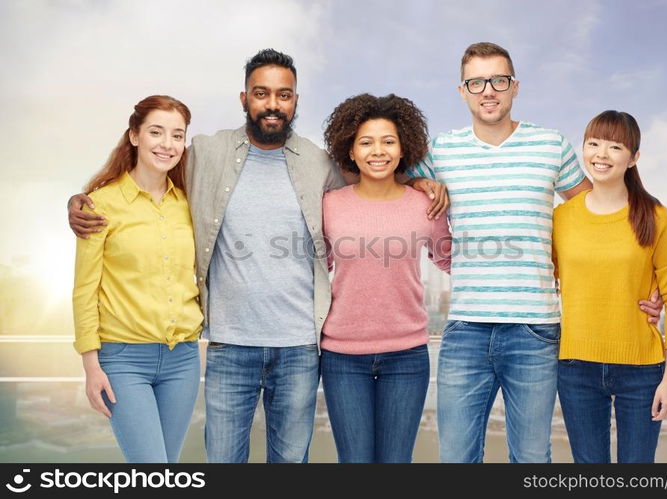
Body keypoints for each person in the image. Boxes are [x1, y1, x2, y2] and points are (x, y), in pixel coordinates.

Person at [68, 49, 449, 463]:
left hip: (300, 348)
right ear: (244, 98)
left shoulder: (319, 164)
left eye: (283, 95)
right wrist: (83, 197)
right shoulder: (205, 154)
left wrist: (421, 183)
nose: (272, 104)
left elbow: (374, 176)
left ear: (295, 102)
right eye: (261, 93)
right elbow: (150, 167)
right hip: (229, 346)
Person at [406, 42, 663, 463]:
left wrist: (645, 282)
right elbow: (395, 184)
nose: (488, 90)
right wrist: (422, 183)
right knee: (454, 458)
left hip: (536, 330)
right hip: (465, 328)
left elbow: (599, 213)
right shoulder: (441, 151)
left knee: (529, 459)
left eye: (499, 80)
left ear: (514, 86)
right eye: (477, 82)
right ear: (462, 91)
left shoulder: (551, 144)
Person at [320, 94, 451, 462]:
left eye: (388, 141)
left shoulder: (425, 204)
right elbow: (315, 267)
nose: (378, 151)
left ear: (403, 147)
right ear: (351, 150)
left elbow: (451, 260)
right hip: (342, 355)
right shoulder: (329, 204)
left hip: (406, 356)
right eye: (366, 141)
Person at [72, 95, 202, 463]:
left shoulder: (189, 204)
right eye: (156, 132)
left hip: (184, 360)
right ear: (134, 136)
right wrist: (90, 366)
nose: (167, 144)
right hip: (123, 361)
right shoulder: (100, 205)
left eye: (178, 136)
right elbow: (84, 290)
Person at [552, 110, 667, 463]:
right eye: (593, 144)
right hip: (575, 367)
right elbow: (541, 278)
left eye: (615, 147)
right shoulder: (561, 218)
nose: (601, 154)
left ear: (633, 158)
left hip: (642, 371)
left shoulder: (657, 217)